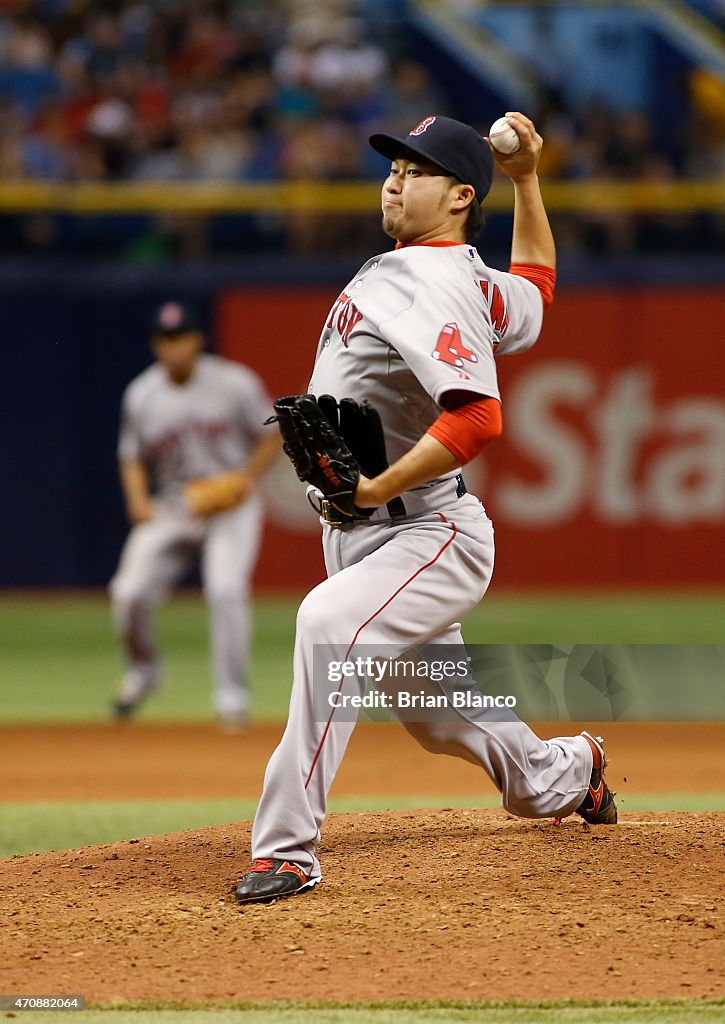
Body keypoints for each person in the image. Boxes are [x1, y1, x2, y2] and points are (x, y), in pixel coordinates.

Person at [235, 113, 617, 905]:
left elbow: (477, 419)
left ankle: (288, 848)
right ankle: (568, 772)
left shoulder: (428, 281)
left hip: (424, 528)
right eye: (393, 164)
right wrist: (528, 182)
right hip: (372, 534)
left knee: (326, 626)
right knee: (440, 717)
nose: (395, 177)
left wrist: (374, 488)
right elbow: (537, 290)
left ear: (456, 195)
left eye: (416, 169)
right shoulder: (466, 275)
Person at [109, 300, 279, 727]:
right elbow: (131, 455)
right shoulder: (142, 393)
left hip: (230, 507)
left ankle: (232, 698)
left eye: (180, 336)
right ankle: (144, 673)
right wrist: (137, 499)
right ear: (154, 345)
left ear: (198, 339)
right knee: (127, 592)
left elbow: (271, 434)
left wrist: (244, 478)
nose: (174, 347)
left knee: (225, 590)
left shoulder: (233, 382)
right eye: (165, 339)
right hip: (174, 504)